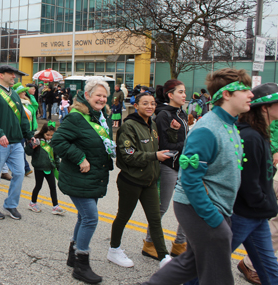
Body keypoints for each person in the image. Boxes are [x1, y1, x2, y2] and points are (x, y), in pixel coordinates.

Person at [143, 68, 253, 285]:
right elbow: (190, 180)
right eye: (244, 90)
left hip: (217, 208)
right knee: (218, 275)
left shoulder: (229, 125)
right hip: (200, 208)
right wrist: (213, 219)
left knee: (191, 263)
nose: (251, 94)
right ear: (227, 94)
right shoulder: (208, 128)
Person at [51, 78, 115, 284]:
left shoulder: (100, 117)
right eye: (98, 95)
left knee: (83, 217)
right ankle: (81, 265)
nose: (102, 99)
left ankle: (73, 256)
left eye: (105, 96)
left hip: (93, 177)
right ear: (87, 96)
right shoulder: (76, 117)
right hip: (78, 177)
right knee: (90, 218)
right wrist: (80, 157)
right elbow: (58, 141)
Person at [108, 92, 174, 269]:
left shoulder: (151, 123)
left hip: (149, 181)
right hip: (131, 181)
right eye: (145, 103)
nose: (150, 107)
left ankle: (163, 257)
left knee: (155, 220)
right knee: (123, 216)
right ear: (135, 106)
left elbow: (159, 145)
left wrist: (173, 132)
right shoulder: (129, 126)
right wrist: (154, 156)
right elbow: (128, 156)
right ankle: (114, 249)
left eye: (152, 103)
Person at [228, 82, 278, 285]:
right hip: (244, 214)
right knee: (210, 260)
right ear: (264, 108)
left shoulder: (258, 134)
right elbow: (248, 181)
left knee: (268, 266)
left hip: (256, 215)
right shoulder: (250, 137)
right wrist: (262, 202)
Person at [142, 80, 188, 259]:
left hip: (183, 165)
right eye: (181, 92)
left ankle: (180, 244)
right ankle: (149, 243)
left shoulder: (181, 113)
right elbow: (164, 145)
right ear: (170, 95)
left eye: (185, 92)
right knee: (161, 207)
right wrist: (189, 144)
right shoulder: (163, 115)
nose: (184, 95)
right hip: (168, 166)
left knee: (188, 205)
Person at [0, 65, 35, 220]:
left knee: (19, 173)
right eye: (11, 74)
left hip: (16, 143)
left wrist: (29, 135)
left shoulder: (15, 95)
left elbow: (23, 119)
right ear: (1, 75)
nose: (14, 77)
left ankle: (10, 205)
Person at [25, 122, 65, 215]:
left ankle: (55, 206)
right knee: (38, 186)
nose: (49, 137)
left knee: (53, 187)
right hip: (39, 167)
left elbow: (56, 156)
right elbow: (28, 152)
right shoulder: (37, 140)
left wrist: (59, 167)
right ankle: (32, 203)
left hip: (50, 168)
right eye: (47, 135)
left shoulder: (53, 142)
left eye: (51, 135)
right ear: (43, 132)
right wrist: (32, 146)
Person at [14, 82, 38, 176]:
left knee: (24, 149)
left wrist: (31, 95)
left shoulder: (27, 102)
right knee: (20, 149)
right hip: (21, 130)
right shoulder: (17, 103)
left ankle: (18, 166)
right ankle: (26, 167)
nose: (25, 93)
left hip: (30, 129)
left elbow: (35, 107)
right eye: (23, 91)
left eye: (25, 91)